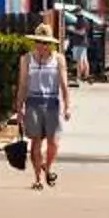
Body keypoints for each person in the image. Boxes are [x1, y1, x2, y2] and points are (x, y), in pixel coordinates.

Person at [19, 20, 70, 190]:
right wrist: (19, 108)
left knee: (53, 142)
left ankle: (47, 167)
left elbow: (64, 84)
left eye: (45, 43)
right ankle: (37, 178)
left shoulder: (58, 59)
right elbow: (23, 85)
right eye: (39, 42)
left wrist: (67, 105)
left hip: (52, 102)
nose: (42, 46)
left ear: (51, 44)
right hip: (33, 102)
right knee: (35, 142)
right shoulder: (27, 59)